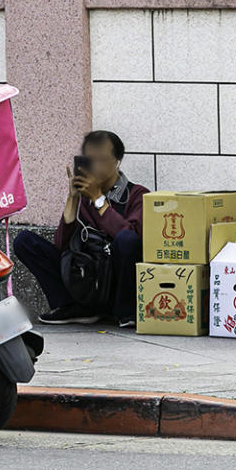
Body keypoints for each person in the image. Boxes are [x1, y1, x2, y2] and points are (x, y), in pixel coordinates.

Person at [13, 130, 149, 327]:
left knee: (127, 240)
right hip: (87, 276)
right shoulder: (84, 197)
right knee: (24, 241)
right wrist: (73, 198)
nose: (95, 166)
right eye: (90, 159)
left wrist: (98, 200)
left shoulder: (137, 194)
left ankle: (125, 312)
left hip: (115, 280)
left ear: (117, 161)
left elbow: (132, 239)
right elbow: (61, 246)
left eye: (102, 159)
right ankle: (71, 307)